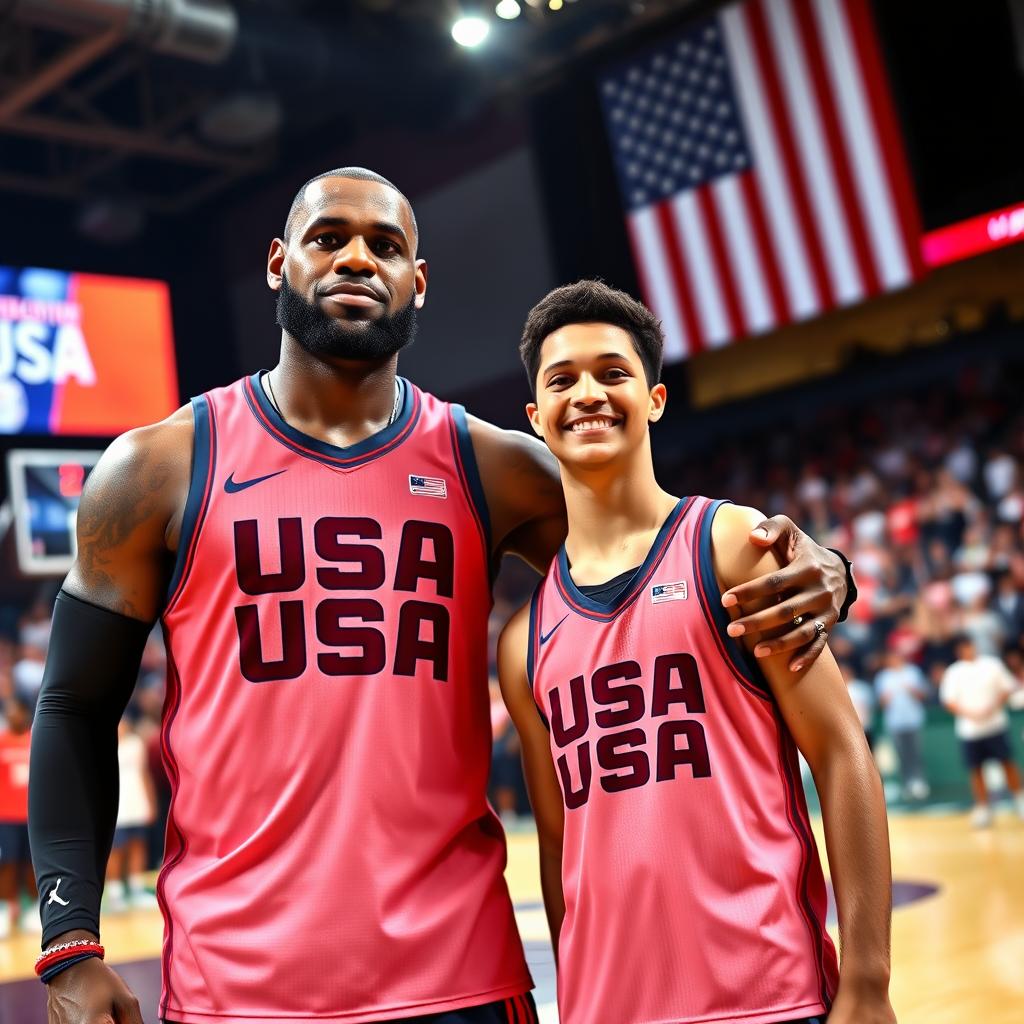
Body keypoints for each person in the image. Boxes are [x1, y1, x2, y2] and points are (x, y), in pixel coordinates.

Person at [28, 168, 853, 1024]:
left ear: (416, 283)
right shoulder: (159, 466)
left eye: (385, 246)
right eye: (328, 238)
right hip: (235, 985)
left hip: (462, 973)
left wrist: (829, 565)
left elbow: (672, 553)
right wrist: (68, 944)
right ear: (279, 263)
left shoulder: (491, 465)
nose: (357, 259)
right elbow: (73, 707)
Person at [497, 281, 893, 1024]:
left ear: (653, 398)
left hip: (767, 999)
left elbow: (842, 753)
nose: (587, 393)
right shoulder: (524, 642)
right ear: (535, 418)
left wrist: (868, 982)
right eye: (563, 379)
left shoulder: (732, 548)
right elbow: (559, 848)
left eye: (613, 373)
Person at [940, 635, 1024, 828]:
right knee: (976, 769)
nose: (967, 650)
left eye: (969, 646)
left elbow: (1007, 687)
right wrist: (970, 713)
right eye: (963, 648)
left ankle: (1019, 800)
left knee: (1007, 763)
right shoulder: (954, 672)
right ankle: (983, 808)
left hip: (995, 725)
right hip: (970, 731)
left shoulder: (992, 665)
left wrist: (992, 707)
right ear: (958, 651)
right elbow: (948, 700)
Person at [104, 717, 158, 912]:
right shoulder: (102, 743)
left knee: (138, 846)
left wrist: (150, 802)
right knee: (116, 851)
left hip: (137, 804)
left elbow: (145, 774)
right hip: (116, 808)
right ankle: (115, 893)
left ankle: (136, 890)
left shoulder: (136, 744)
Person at [874, 648, 931, 800]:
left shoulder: (912, 672)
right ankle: (908, 784)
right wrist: (885, 699)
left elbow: (923, 694)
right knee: (901, 755)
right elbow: (881, 703)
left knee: (915, 753)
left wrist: (913, 691)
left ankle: (920, 783)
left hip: (913, 720)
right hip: (895, 723)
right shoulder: (883, 677)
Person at [0, 696, 35, 937]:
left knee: (32, 864)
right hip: (6, 816)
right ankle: (6, 908)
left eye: (16, 711)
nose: (13, 715)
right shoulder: (1, 742)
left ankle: (34, 909)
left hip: (33, 816)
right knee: (8, 863)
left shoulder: (36, 742)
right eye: (9, 712)